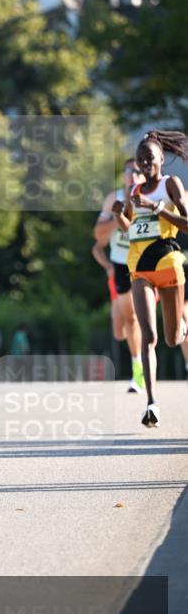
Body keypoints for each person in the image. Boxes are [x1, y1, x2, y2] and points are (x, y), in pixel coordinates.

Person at [112, 130, 188, 426]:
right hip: (140, 267)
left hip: (168, 264)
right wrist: (120, 214)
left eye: (150, 159)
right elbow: (129, 229)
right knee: (149, 335)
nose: (145, 164)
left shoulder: (171, 184)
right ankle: (152, 403)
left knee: (172, 339)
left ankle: (182, 324)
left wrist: (157, 208)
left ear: (161, 160)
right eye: (140, 160)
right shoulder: (134, 190)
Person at [92, 159, 145, 393]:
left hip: (145, 263)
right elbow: (98, 237)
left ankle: (139, 369)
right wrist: (118, 218)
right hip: (120, 264)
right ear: (123, 176)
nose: (132, 175)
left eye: (137, 171)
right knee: (119, 329)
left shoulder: (153, 197)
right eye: (128, 171)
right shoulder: (113, 199)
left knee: (135, 317)